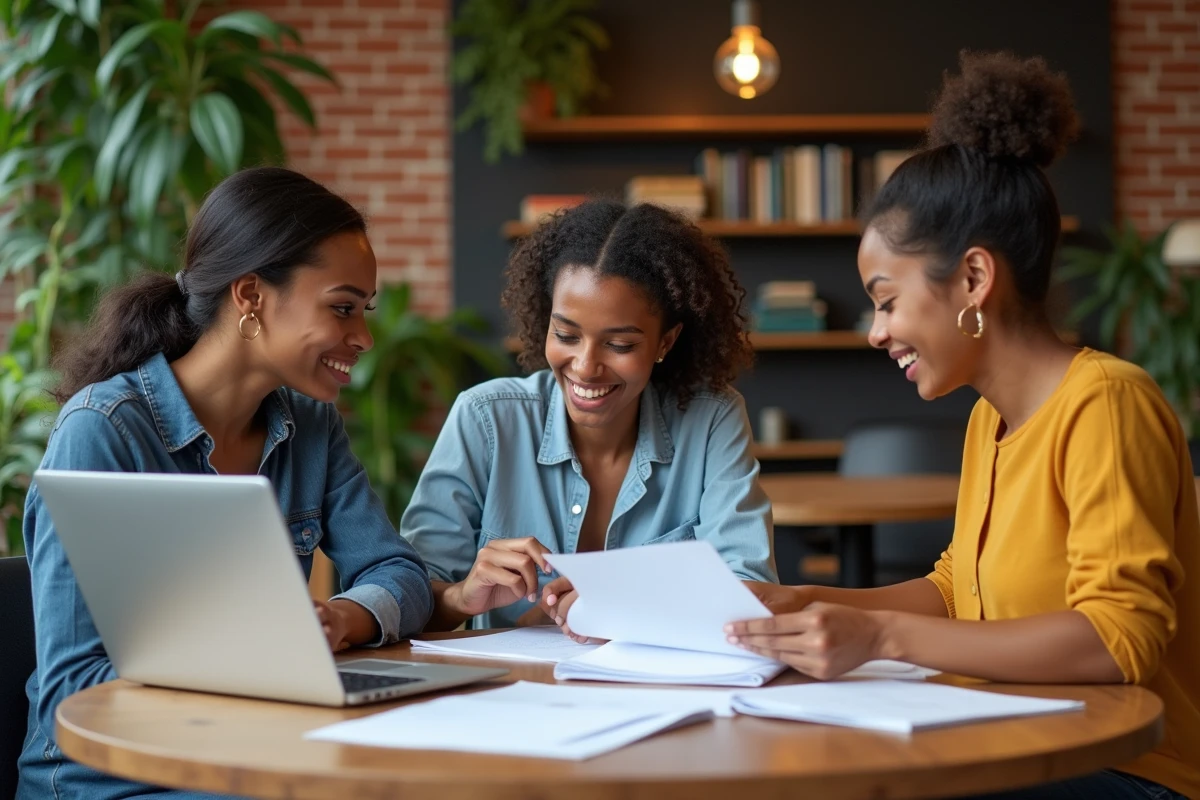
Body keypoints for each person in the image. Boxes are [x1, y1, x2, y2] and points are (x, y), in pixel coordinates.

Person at [727, 52, 1199, 800]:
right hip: (1008, 736)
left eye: (886, 300)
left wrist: (880, 636)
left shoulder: (1106, 402)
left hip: (1124, 769)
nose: (877, 332)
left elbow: (1121, 639)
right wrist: (811, 604)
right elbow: (958, 590)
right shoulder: (990, 418)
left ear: (974, 280)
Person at [17, 167, 434, 800]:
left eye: (364, 311)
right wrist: (258, 672)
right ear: (251, 296)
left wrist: (338, 619)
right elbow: (75, 687)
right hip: (107, 777)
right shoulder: (102, 432)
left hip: (253, 752)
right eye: (342, 308)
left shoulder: (311, 427)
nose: (364, 337)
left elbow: (401, 576)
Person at [403, 199, 777, 636]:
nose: (584, 366)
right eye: (566, 335)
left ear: (665, 342)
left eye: (619, 345)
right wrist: (461, 597)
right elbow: (406, 600)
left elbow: (752, 589)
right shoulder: (485, 420)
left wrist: (627, 603)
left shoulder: (711, 419)